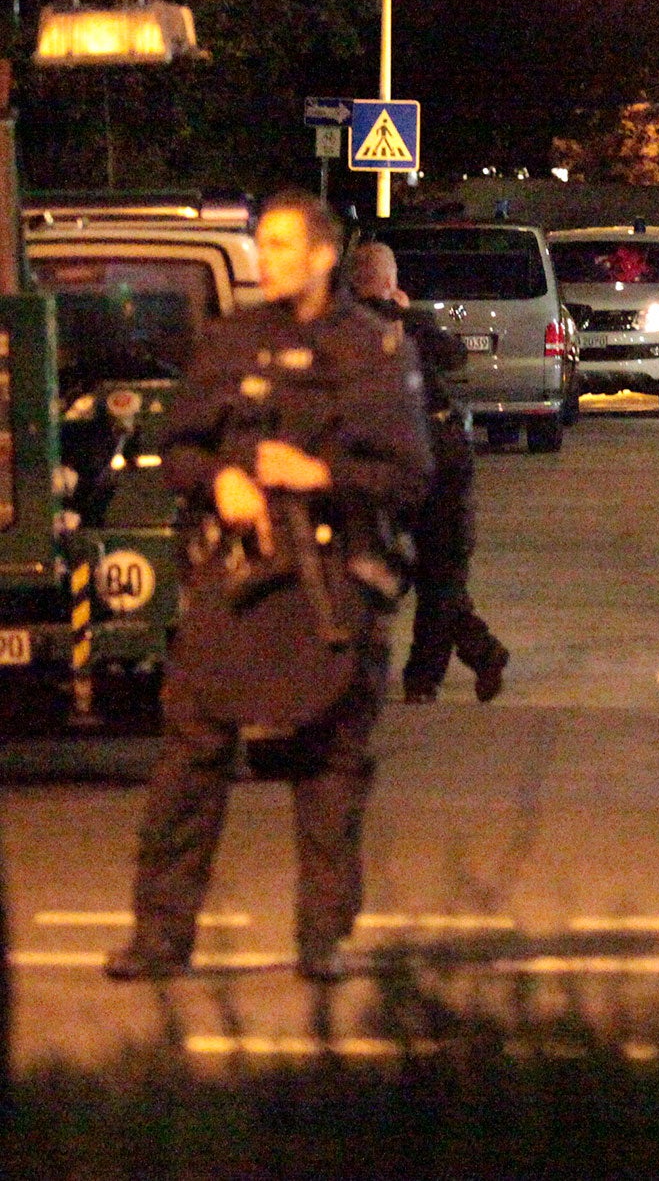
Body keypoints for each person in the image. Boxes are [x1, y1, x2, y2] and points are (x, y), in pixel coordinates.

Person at [108, 192, 433, 982]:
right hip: (235, 582)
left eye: (283, 244)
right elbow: (177, 449)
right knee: (190, 757)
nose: (267, 258)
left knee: (331, 769)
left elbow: (413, 476)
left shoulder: (374, 349)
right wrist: (221, 478)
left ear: (323, 255)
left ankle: (321, 939)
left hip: (330, 585)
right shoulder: (231, 342)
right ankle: (161, 936)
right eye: (263, 244)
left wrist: (323, 475)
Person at [346, 240, 510, 705]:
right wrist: (408, 312)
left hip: (376, 457)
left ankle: (471, 658)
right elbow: (453, 356)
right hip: (435, 451)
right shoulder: (407, 322)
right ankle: (436, 673)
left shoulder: (340, 325)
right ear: (388, 280)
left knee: (418, 567)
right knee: (442, 567)